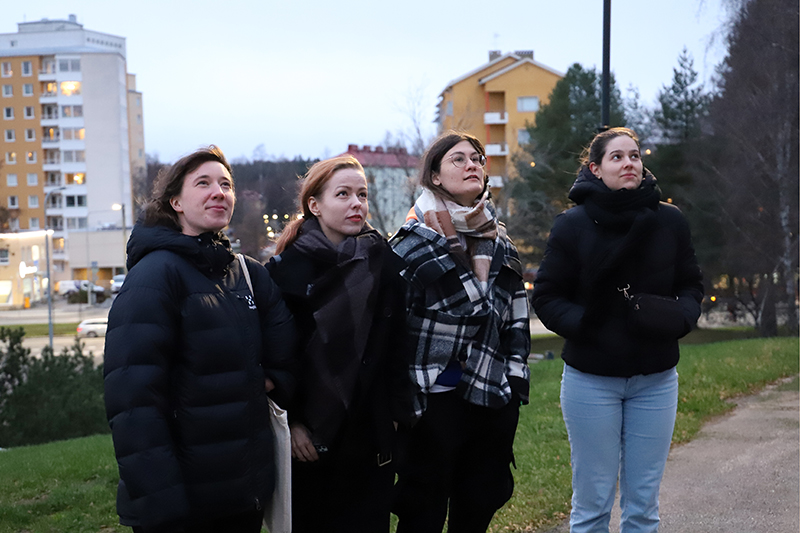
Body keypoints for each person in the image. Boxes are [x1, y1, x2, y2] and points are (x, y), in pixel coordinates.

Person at [104, 146, 297, 533]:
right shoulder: (154, 277)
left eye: (226, 184)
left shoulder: (246, 274)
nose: (219, 192)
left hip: (243, 492)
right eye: (203, 183)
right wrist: (161, 501)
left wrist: (268, 379)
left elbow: (287, 348)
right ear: (175, 201)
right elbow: (133, 402)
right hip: (182, 502)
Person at [531, 127, 704, 533]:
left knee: (643, 506)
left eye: (635, 155)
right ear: (595, 168)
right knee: (591, 504)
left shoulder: (670, 221)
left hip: (656, 378)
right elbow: (547, 296)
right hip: (591, 380)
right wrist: (588, 327)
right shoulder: (571, 225)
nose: (629, 163)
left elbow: (691, 284)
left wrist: (681, 317)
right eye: (617, 157)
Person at [390, 131, 531, 533]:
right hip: (431, 403)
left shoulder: (499, 241)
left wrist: (515, 385)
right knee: (423, 512)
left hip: (489, 397)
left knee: (479, 503)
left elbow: (515, 319)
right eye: (459, 159)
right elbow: (394, 328)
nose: (473, 165)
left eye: (478, 159)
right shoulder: (409, 244)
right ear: (434, 176)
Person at [266, 155, 416, 533]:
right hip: (311, 438)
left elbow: (399, 346)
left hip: (370, 434)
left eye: (362, 194)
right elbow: (275, 356)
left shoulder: (384, 263)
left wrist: (396, 417)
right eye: (343, 194)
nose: (356, 204)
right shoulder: (283, 273)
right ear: (314, 205)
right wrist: (293, 422)